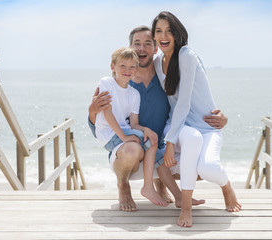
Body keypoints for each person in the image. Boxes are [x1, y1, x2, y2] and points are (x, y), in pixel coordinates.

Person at [88, 26, 228, 212]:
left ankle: (166, 187)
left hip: (157, 143)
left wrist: (219, 118)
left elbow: (188, 102)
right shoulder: (116, 81)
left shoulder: (165, 75)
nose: (142, 48)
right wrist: (91, 111)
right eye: (136, 44)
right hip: (130, 147)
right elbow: (100, 125)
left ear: (155, 48)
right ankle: (124, 187)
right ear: (130, 47)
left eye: (148, 44)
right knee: (134, 148)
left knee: (198, 163)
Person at [152, 11, 242, 227]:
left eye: (169, 31)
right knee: (191, 140)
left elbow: (184, 101)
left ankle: (227, 186)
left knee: (208, 168)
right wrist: (171, 138)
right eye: (158, 31)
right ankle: (185, 207)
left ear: (177, 34)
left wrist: (171, 142)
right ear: (154, 36)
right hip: (179, 126)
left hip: (207, 126)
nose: (164, 35)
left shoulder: (187, 56)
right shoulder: (156, 61)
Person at [95, 47, 169, 207]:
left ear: (136, 69)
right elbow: (107, 114)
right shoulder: (106, 83)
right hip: (109, 134)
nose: (127, 70)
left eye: (132, 67)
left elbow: (134, 124)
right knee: (143, 145)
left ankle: (153, 187)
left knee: (152, 139)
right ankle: (141, 187)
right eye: (122, 66)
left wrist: (146, 130)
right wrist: (125, 137)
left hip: (125, 130)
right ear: (112, 67)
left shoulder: (134, 94)